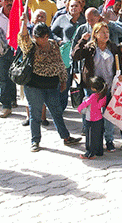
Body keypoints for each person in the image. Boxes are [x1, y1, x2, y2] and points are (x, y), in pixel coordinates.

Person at [18, 20, 81, 152]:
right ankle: (35, 141)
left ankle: (66, 137)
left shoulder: (53, 45)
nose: (45, 39)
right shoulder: (30, 46)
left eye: (47, 36)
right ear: (35, 37)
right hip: (34, 85)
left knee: (57, 112)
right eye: (42, 37)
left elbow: (59, 63)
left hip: (52, 85)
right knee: (35, 115)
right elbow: (23, 38)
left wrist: (63, 80)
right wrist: (23, 23)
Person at [72, 22, 122, 152]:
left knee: (108, 114)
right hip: (92, 88)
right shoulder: (90, 48)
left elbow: (119, 65)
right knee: (91, 114)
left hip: (109, 86)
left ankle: (109, 140)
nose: (106, 35)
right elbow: (75, 55)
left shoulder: (113, 48)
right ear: (96, 34)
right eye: (102, 32)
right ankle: (92, 139)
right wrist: (82, 40)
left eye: (107, 32)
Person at [77, 76, 108, 159]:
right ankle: (99, 151)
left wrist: (79, 109)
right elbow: (103, 105)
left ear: (94, 88)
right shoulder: (103, 96)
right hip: (99, 119)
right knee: (98, 136)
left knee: (90, 137)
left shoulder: (93, 96)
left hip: (91, 119)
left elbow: (85, 104)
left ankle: (90, 153)